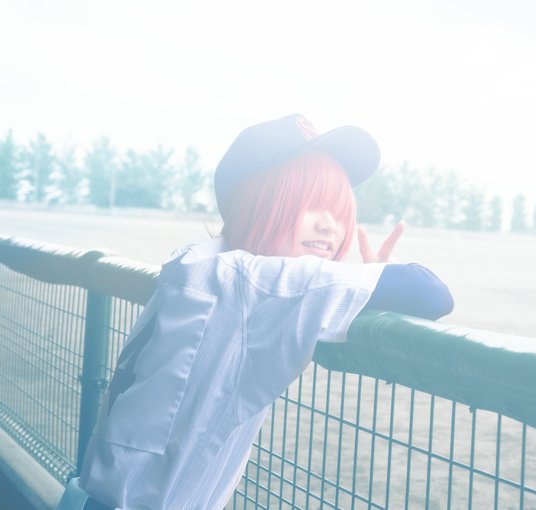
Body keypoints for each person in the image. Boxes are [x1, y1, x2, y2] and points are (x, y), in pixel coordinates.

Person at [57, 114, 453, 510]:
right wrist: (379, 272)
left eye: (338, 210)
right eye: (311, 203)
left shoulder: (196, 260)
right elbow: (430, 293)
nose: (329, 226)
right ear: (256, 199)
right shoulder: (255, 281)